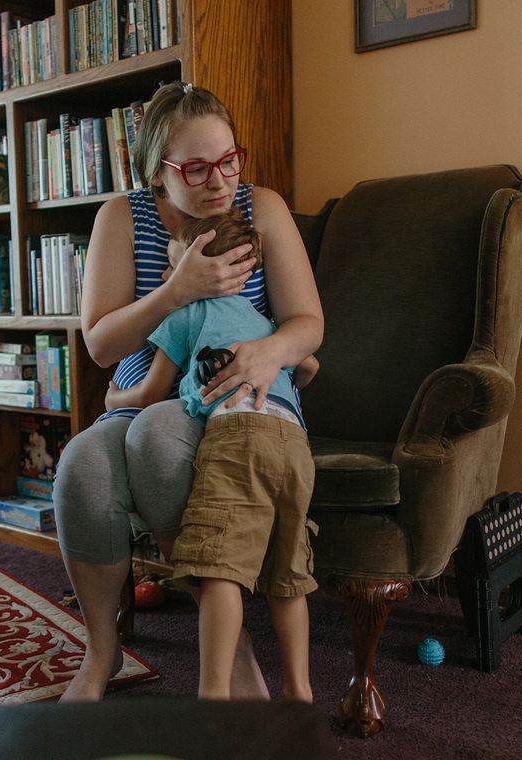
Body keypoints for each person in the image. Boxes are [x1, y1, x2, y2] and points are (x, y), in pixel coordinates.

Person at [53, 81, 324, 702]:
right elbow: (100, 345)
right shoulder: (121, 218)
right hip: (146, 394)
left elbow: (308, 322)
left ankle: (226, 641)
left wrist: (267, 353)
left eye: (229, 160)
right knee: (82, 467)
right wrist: (176, 290)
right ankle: (102, 655)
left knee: (156, 433)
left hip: (239, 403)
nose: (219, 180)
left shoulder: (265, 208)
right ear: (157, 172)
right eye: (196, 168)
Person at [103, 210, 318, 701]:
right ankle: (299, 691)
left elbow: (151, 393)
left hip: (238, 436)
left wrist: (114, 398)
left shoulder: (185, 314)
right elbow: (309, 366)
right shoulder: (264, 321)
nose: (165, 277)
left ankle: (215, 696)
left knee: (217, 566)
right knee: (288, 573)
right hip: (293, 441)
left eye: (175, 268)